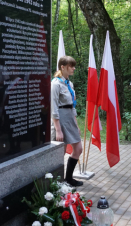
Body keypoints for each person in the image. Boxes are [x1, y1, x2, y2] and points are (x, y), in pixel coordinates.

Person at [51, 56, 83, 187]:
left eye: (74, 66)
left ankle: (68, 178)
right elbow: (53, 107)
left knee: (78, 148)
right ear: (62, 67)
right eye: (71, 66)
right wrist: (58, 130)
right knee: (61, 152)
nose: (74, 68)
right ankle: (56, 182)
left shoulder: (69, 84)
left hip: (70, 117)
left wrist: (76, 124)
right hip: (61, 119)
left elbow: (72, 106)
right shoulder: (55, 84)